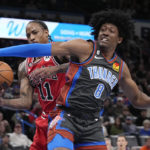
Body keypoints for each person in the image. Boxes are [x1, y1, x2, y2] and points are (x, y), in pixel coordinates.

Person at [0, 9, 150, 150]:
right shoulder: (84, 47)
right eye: (103, 29)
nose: (105, 33)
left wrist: (57, 68)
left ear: (120, 39)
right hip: (66, 119)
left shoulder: (121, 67)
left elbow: (137, 98)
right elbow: (39, 49)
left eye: (111, 31)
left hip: (93, 126)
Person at [0, 20, 68, 150]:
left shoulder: (59, 50)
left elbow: (83, 64)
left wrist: (55, 69)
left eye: (35, 32)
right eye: (28, 35)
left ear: (46, 33)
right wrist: (2, 101)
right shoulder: (24, 66)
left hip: (66, 114)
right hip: (45, 117)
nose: (31, 37)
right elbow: (25, 102)